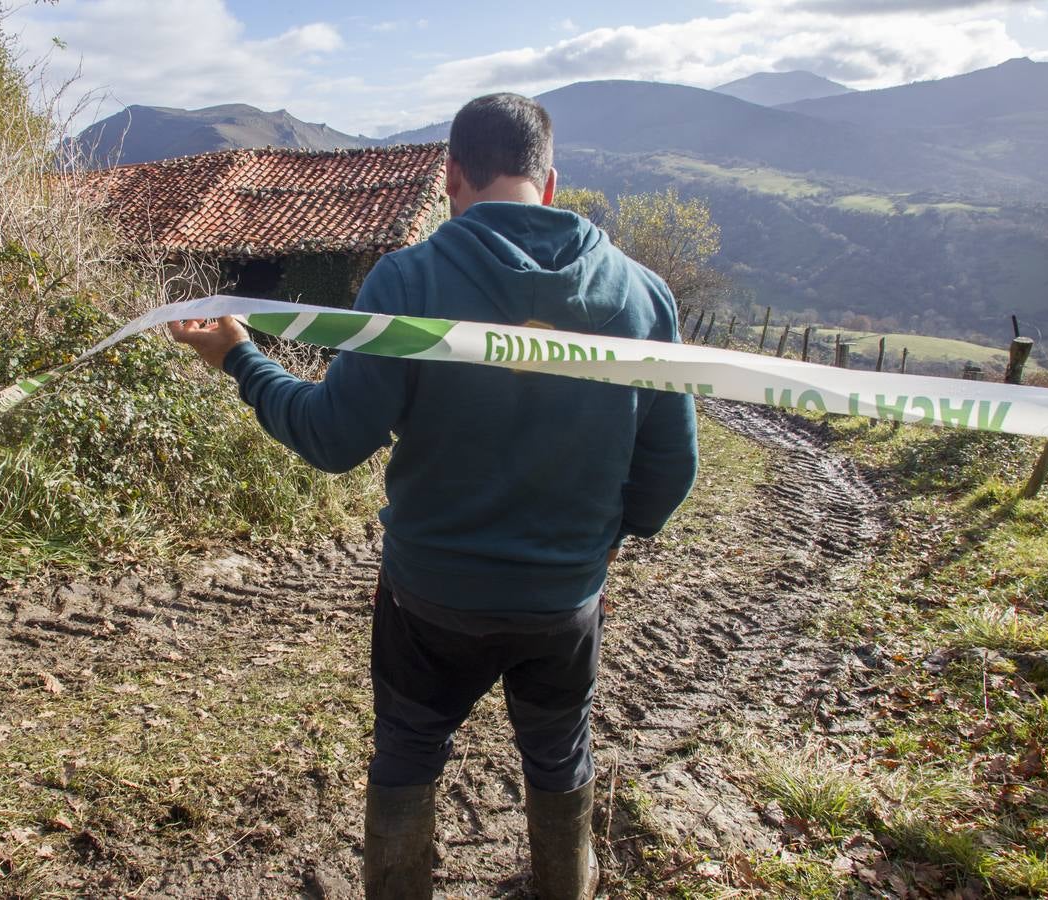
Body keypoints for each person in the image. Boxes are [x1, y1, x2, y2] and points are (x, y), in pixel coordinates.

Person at [170, 93, 698, 900]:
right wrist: (608, 537)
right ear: (551, 184)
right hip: (564, 602)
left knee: (410, 748)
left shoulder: (408, 279)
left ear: (451, 176)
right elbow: (671, 471)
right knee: (559, 753)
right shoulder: (642, 297)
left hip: (431, 599)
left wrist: (241, 359)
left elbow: (332, 436)